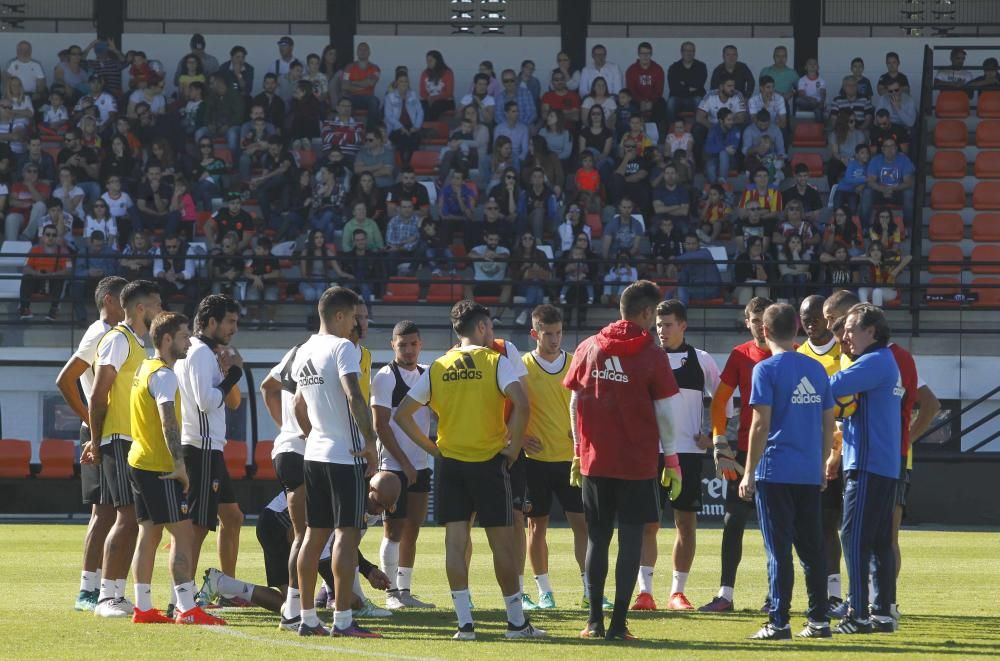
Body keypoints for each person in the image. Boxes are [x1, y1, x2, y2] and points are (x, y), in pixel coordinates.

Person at [392, 300, 542, 640]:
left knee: (455, 542)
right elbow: (522, 403)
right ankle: (516, 624)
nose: (492, 332)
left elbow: (401, 414)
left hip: (451, 465)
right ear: (481, 328)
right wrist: (514, 446)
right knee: (502, 544)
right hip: (490, 462)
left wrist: (433, 449)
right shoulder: (495, 362)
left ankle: (465, 624)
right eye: (489, 326)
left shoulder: (439, 366)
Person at [564, 280, 681, 641]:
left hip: (595, 462)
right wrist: (673, 460)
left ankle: (594, 622)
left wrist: (577, 451)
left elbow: (573, 403)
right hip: (638, 464)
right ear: (647, 313)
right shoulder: (652, 354)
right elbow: (664, 412)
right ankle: (618, 625)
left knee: (597, 540)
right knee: (631, 541)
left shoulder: (587, 347)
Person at [739, 302, 834, 640]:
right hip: (808, 471)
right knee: (812, 551)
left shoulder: (764, 370)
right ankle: (819, 621)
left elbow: (759, 424)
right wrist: (823, 464)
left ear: (764, 332)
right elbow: (827, 423)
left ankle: (779, 622)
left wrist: (749, 471)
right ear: (796, 330)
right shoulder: (817, 369)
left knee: (778, 552)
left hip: (775, 471)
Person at [125, 311, 227, 626]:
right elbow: (168, 419)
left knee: (149, 535)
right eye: (183, 336)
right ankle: (186, 607)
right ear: (167, 339)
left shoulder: (145, 368)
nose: (188, 341)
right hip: (159, 467)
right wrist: (180, 466)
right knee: (183, 534)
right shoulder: (165, 376)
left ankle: (143, 607)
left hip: (139, 461)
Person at [632, 300, 728, 612]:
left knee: (685, 523)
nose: (662, 330)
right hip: (651, 454)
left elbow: (723, 401)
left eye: (668, 324)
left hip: (687, 454)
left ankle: (677, 593)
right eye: (658, 325)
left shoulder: (700, 360)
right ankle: (644, 592)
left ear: (683, 326)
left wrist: (714, 435)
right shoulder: (646, 358)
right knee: (648, 523)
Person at [84, 280, 163, 617]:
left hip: (131, 441)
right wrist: (97, 441)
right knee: (126, 517)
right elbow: (98, 394)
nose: (162, 311)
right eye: (157, 305)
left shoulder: (138, 344)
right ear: (142, 309)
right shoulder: (118, 339)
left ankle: (115, 593)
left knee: (134, 519)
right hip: (117, 439)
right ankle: (106, 596)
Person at [829, 304, 904, 634]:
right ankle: (882, 613)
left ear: (871, 331)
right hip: (883, 465)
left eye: (851, 329)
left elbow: (830, 385)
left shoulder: (873, 362)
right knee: (877, 541)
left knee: (853, 535)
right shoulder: (885, 360)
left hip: (868, 464)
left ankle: (857, 613)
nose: (845, 335)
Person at [56, 276, 127, 611]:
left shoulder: (117, 336)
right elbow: (65, 378)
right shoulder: (99, 332)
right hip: (100, 432)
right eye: (125, 298)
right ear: (110, 300)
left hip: (113, 432)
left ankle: (102, 588)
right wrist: (89, 419)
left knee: (115, 511)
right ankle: (87, 589)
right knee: (104, 511)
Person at [699, 295, 773, 612]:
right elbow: (719, 402)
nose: (760, 326)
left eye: (764, 320)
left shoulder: (795, 353)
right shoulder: (740, 355)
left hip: (782, 450)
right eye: (754, 320)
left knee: (783, 527)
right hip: (745, 450)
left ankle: (777, 596)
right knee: (733, 522)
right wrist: (719, 440)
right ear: (747, 322)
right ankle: (726, 594)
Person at [174, 295, 245, 596]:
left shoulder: (207, 352)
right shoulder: (200, 352)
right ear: (211, 322)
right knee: (197, 526)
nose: (234, 329)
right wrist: (235, 375)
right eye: (230, 321)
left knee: (232, 516)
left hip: (209, 446)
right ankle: (185, 596)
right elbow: (207, 402)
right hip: (200, 447)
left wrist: (229, 375)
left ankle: (224, 588)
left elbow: (233, 402)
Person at [369, 321, 435, 610]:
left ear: (420, 344)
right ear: (392, 345)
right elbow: (380, 426)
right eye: (402, 344)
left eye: (413, 344)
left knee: (413, 529)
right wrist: (405, 463)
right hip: (393, 468)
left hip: (420, 465)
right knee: (392, 531)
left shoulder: (428, 374)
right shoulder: (385, 377)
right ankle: (391, 593)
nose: (408, 350)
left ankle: (405, 590)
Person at [797, 294, 849, 615]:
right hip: (818, 455)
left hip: (850, 451)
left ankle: (872, 599)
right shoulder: (799, 356)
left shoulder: (845, 350)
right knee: (824, 525)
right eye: (805, 319)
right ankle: (832, 595)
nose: (812, 323)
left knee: (859, 529)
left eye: (816, 316)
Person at [17, 222, 72, 321]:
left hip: (53, 282)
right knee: (27, 277)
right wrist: (37, 273)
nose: (50, 237)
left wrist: (52, 274)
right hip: (36, 281)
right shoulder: (34, 250)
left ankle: (54, 310)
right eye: (48, 234)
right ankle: (25, 308)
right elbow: (25, 268)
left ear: (57, 237)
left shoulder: (64, 251)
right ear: (42, 236)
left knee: (60, 278)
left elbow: (69, 270)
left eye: (54, 235)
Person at [673, 233, 722, 305]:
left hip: (711, 289)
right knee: (670, 293)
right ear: (684, 245)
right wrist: (678, 270)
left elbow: (693, 257)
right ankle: (666, 312)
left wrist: (675, 261)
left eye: (694, 244)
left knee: (682, 288)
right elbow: (683, 280)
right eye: (688, 244)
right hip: (696, 289)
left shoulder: (705, 252)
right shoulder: (684, 259)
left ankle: (679, 313)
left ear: (698, 244)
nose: (691, 246)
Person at [666, 41, 708, 124]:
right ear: (681, 52)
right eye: (686, 51)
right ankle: (672, 130)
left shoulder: (701, 66)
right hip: (678, 98)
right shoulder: (674, 68)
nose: (689, 53)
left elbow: (698, 85)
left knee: (699, 102)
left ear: (694, 52)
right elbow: (674, 88)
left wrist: (683, 85)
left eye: (691, 51)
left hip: (695, 98)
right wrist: (689, 87)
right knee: (670, 103)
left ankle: (698, 131)